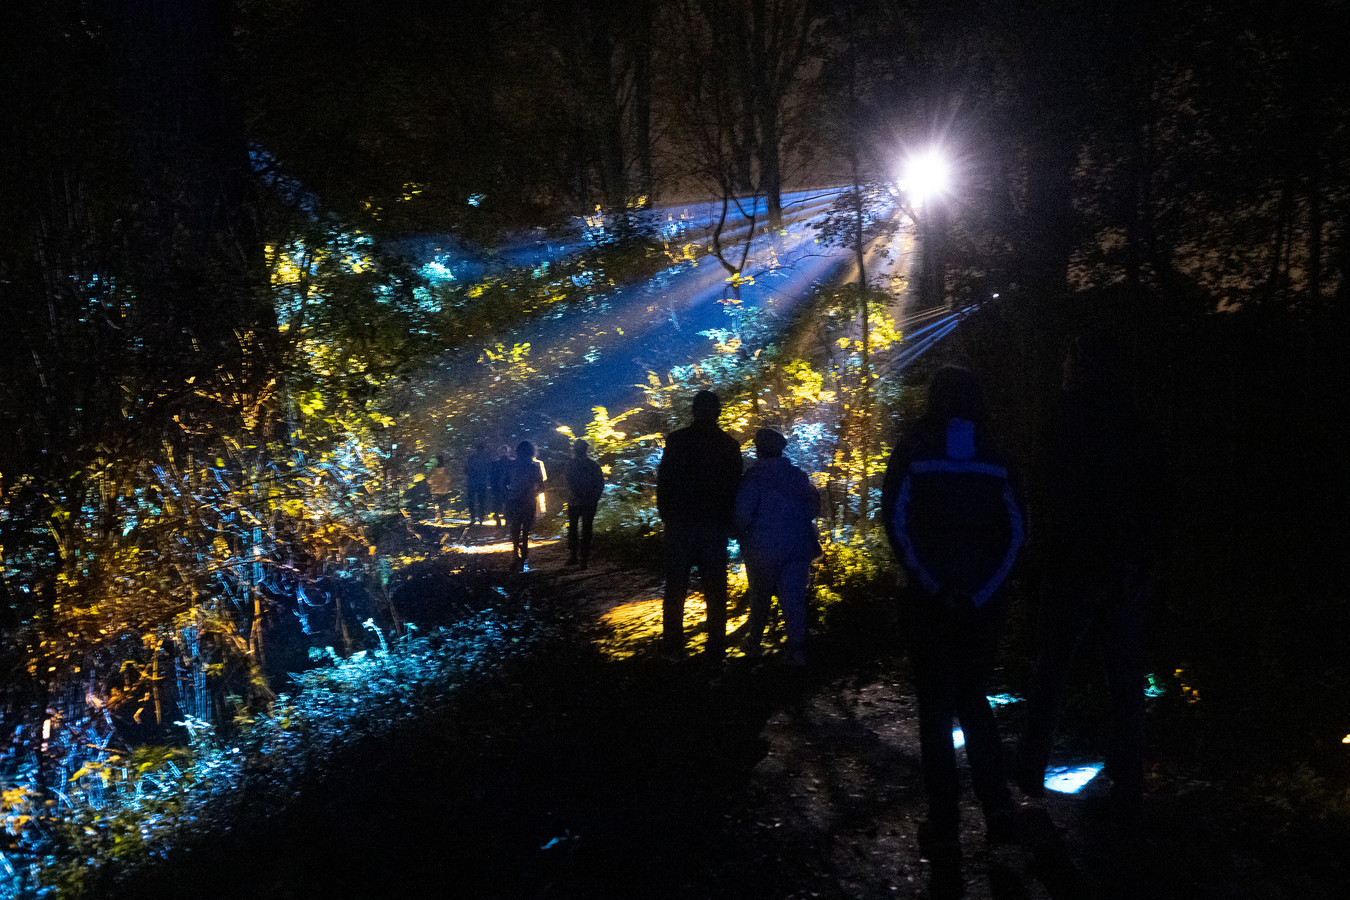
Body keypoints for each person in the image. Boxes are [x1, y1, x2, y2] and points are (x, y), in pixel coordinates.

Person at [880, 364, 1024, 899]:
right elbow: (1016, 530)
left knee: (935, 711)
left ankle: (943, 823)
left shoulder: (915, 445)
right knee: (974, 700)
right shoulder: (996, 451)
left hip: (927, 604)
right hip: (982, 607)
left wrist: (932, 585)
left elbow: (894, 518)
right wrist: (983, 592)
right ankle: (999, 809)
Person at [1016, 331, 1164, 829]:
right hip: (1121, 566)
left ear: (1079, 366)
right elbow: (1154, 497)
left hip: (1073, 564)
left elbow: (1045, 488)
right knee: (1124, 677)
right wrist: (1144, 564)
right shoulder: (1138, 420)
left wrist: (1039, 557)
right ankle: (1129, 779)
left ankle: (1030, 772)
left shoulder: (1064, 417)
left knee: (1051, 668)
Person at [656, 390, 743, 659]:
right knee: (716, 587)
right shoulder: (728, 445)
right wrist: (731, 523)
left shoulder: (677, 441)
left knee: (676, 586)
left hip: (680, 522)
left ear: (693, 410)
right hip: (713, 525)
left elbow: (665, 481)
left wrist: (667, 515)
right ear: (718, 412)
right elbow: (734, 488)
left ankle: (672, 645)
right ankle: (716, 645)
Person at [734, 427, 821, 667]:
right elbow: (814, 508)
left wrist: (740, 534)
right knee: (793, 599)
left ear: (759, 449)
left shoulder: (754, 478)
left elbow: (741, 515)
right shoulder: (798, 476)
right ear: (781, 449)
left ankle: (754, 645)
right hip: (797, 547)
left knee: (760, 597)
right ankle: (796, 652)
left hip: (762, 549)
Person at [504, 440, 547, 571]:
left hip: (514, 500)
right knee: (526, 530)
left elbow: (503, 483)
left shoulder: (511, 466)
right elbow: (541, 487)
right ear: (531, 452)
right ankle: (524, 557)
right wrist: (532, 493)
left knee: (515, 529)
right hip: (528, 501)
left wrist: (510, 493)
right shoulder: (534, 468)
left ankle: (515, 555)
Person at [564, 440, 605, 568]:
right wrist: (594, 497)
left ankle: (575, 556)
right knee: (586, 529)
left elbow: (568, 482)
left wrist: (577, 495)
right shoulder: (593, 465)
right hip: (588, 502)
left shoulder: (571, 465)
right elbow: (600, 484)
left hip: (575, 501)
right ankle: (583, 558)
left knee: (574, 528)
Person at [464, 442, 493, 526]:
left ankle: (473, 518)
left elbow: (466, 470)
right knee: (481, 501)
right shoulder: (486, 459)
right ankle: (480, 518)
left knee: (471, 501)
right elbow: (489, 471)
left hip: (472, 482)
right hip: (482, 482)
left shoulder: (472, 458)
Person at [488, 445, 513, 528]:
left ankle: (504, 522)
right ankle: (501, 522)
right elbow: (491, 476)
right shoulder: (496, 464)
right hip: (500, 487)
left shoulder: (496, 463)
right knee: (499, 506)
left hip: (505, 487)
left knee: (505, 506)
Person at [425, 455, 452, 524]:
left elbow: (430, 480)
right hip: (443, 491)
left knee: (437, 505)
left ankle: (438, 518)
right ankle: (440, 518)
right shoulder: (445, 472)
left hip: (436, 491)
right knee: (441, 505)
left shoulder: (434, 472)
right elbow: (448, 480)